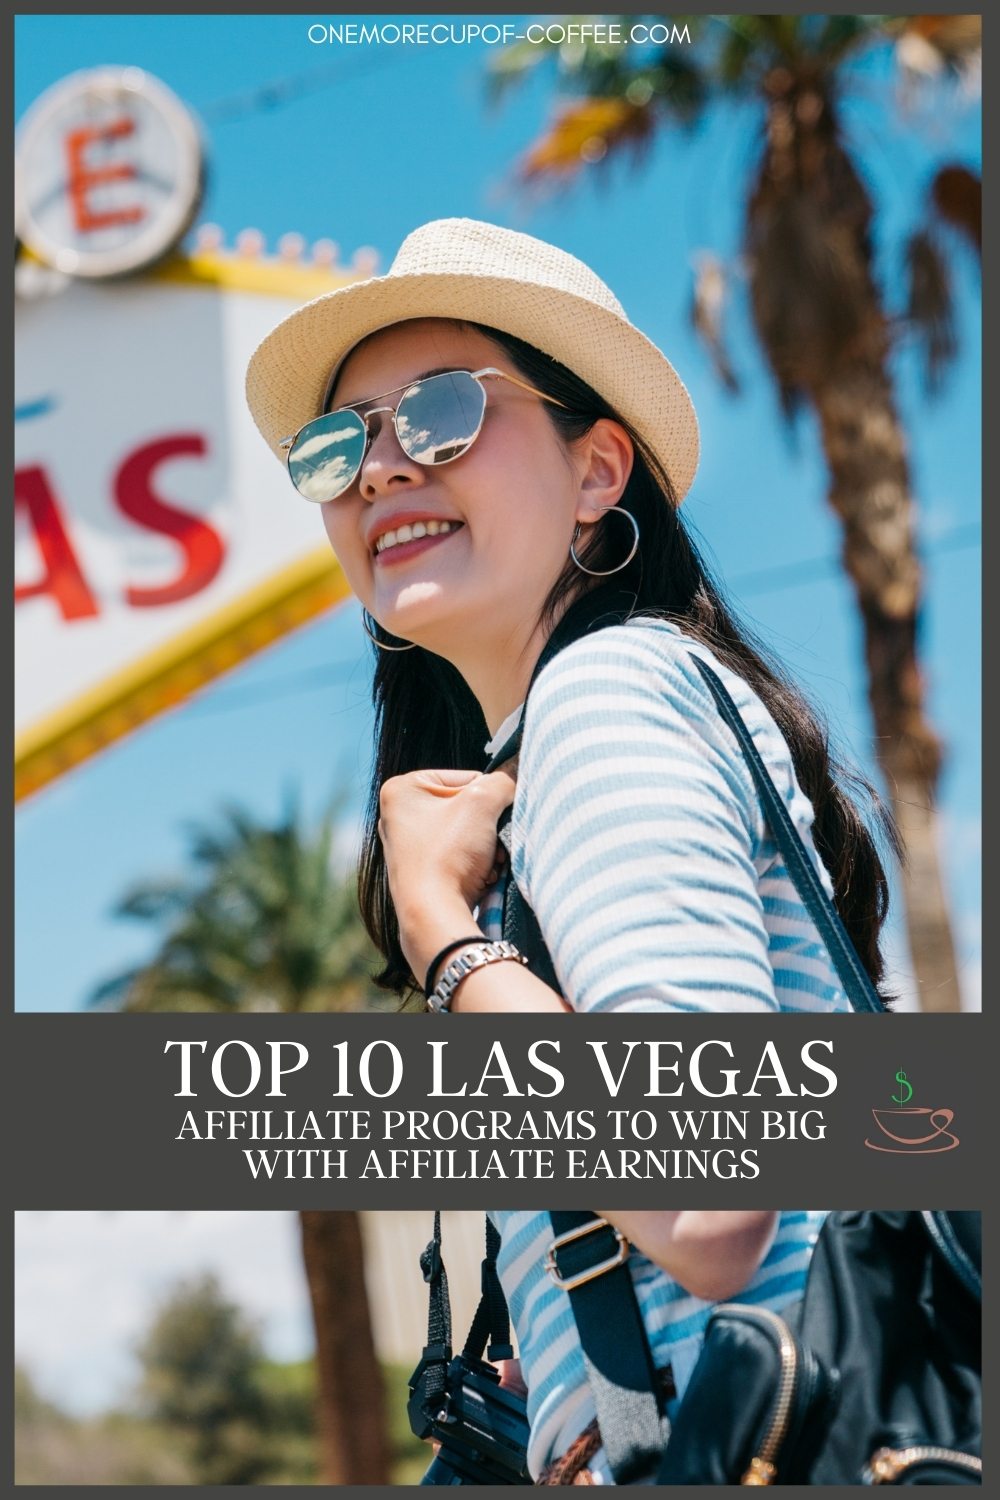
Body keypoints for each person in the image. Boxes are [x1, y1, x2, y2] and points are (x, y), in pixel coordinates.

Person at [246, 217, 897, 1482]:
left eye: (440, 411)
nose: (380, 468)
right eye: (341, 442)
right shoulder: (573, 743)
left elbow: (703, 1202)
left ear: (598, 470)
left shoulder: (608, 695)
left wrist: (442, 933)